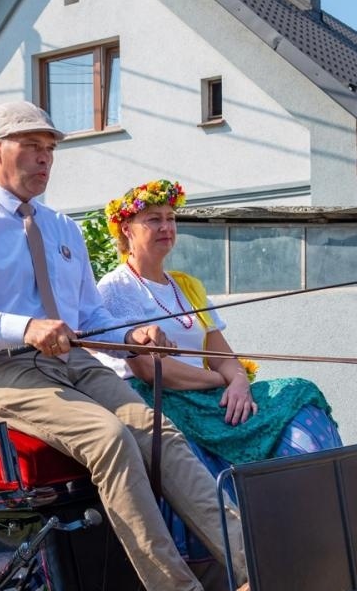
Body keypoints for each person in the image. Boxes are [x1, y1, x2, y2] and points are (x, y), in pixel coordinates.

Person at [0, 101, 247, 591]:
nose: (44, 160)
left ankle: (259, 566)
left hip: (72, 361)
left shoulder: (61, 227)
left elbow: (90, 316)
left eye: (49, 150)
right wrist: (23, 326)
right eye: (31, 148)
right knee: (108, 437)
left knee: (157, 431)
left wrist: (132, 335)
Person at [95, 179, 341, 473]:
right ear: (127, 229)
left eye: (171, 218)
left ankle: (324, 487)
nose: (166, 227)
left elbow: (223, 356)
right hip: (160, 398)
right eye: (154, 220)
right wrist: (220, 380)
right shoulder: (117, 286)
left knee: (298, 392)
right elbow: (149, 370)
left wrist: (239, 383)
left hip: (206, 394)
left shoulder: (187, 286)